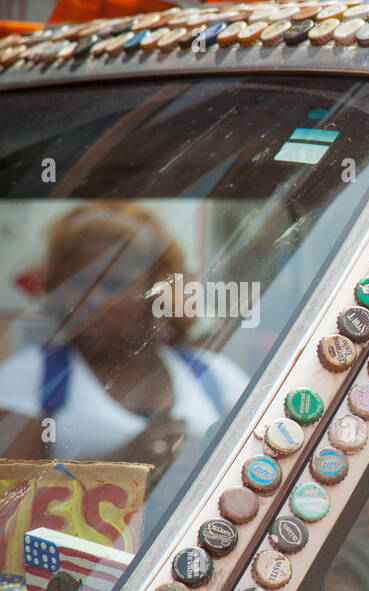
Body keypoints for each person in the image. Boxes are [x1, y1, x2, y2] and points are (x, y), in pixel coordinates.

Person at [0, 202, 247, 528]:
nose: (92, 300)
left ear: (156, 291)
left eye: (114, 285)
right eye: (75, 282)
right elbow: (9, 512)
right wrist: (127, 465)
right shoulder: (31, 377)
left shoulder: (216, 377)